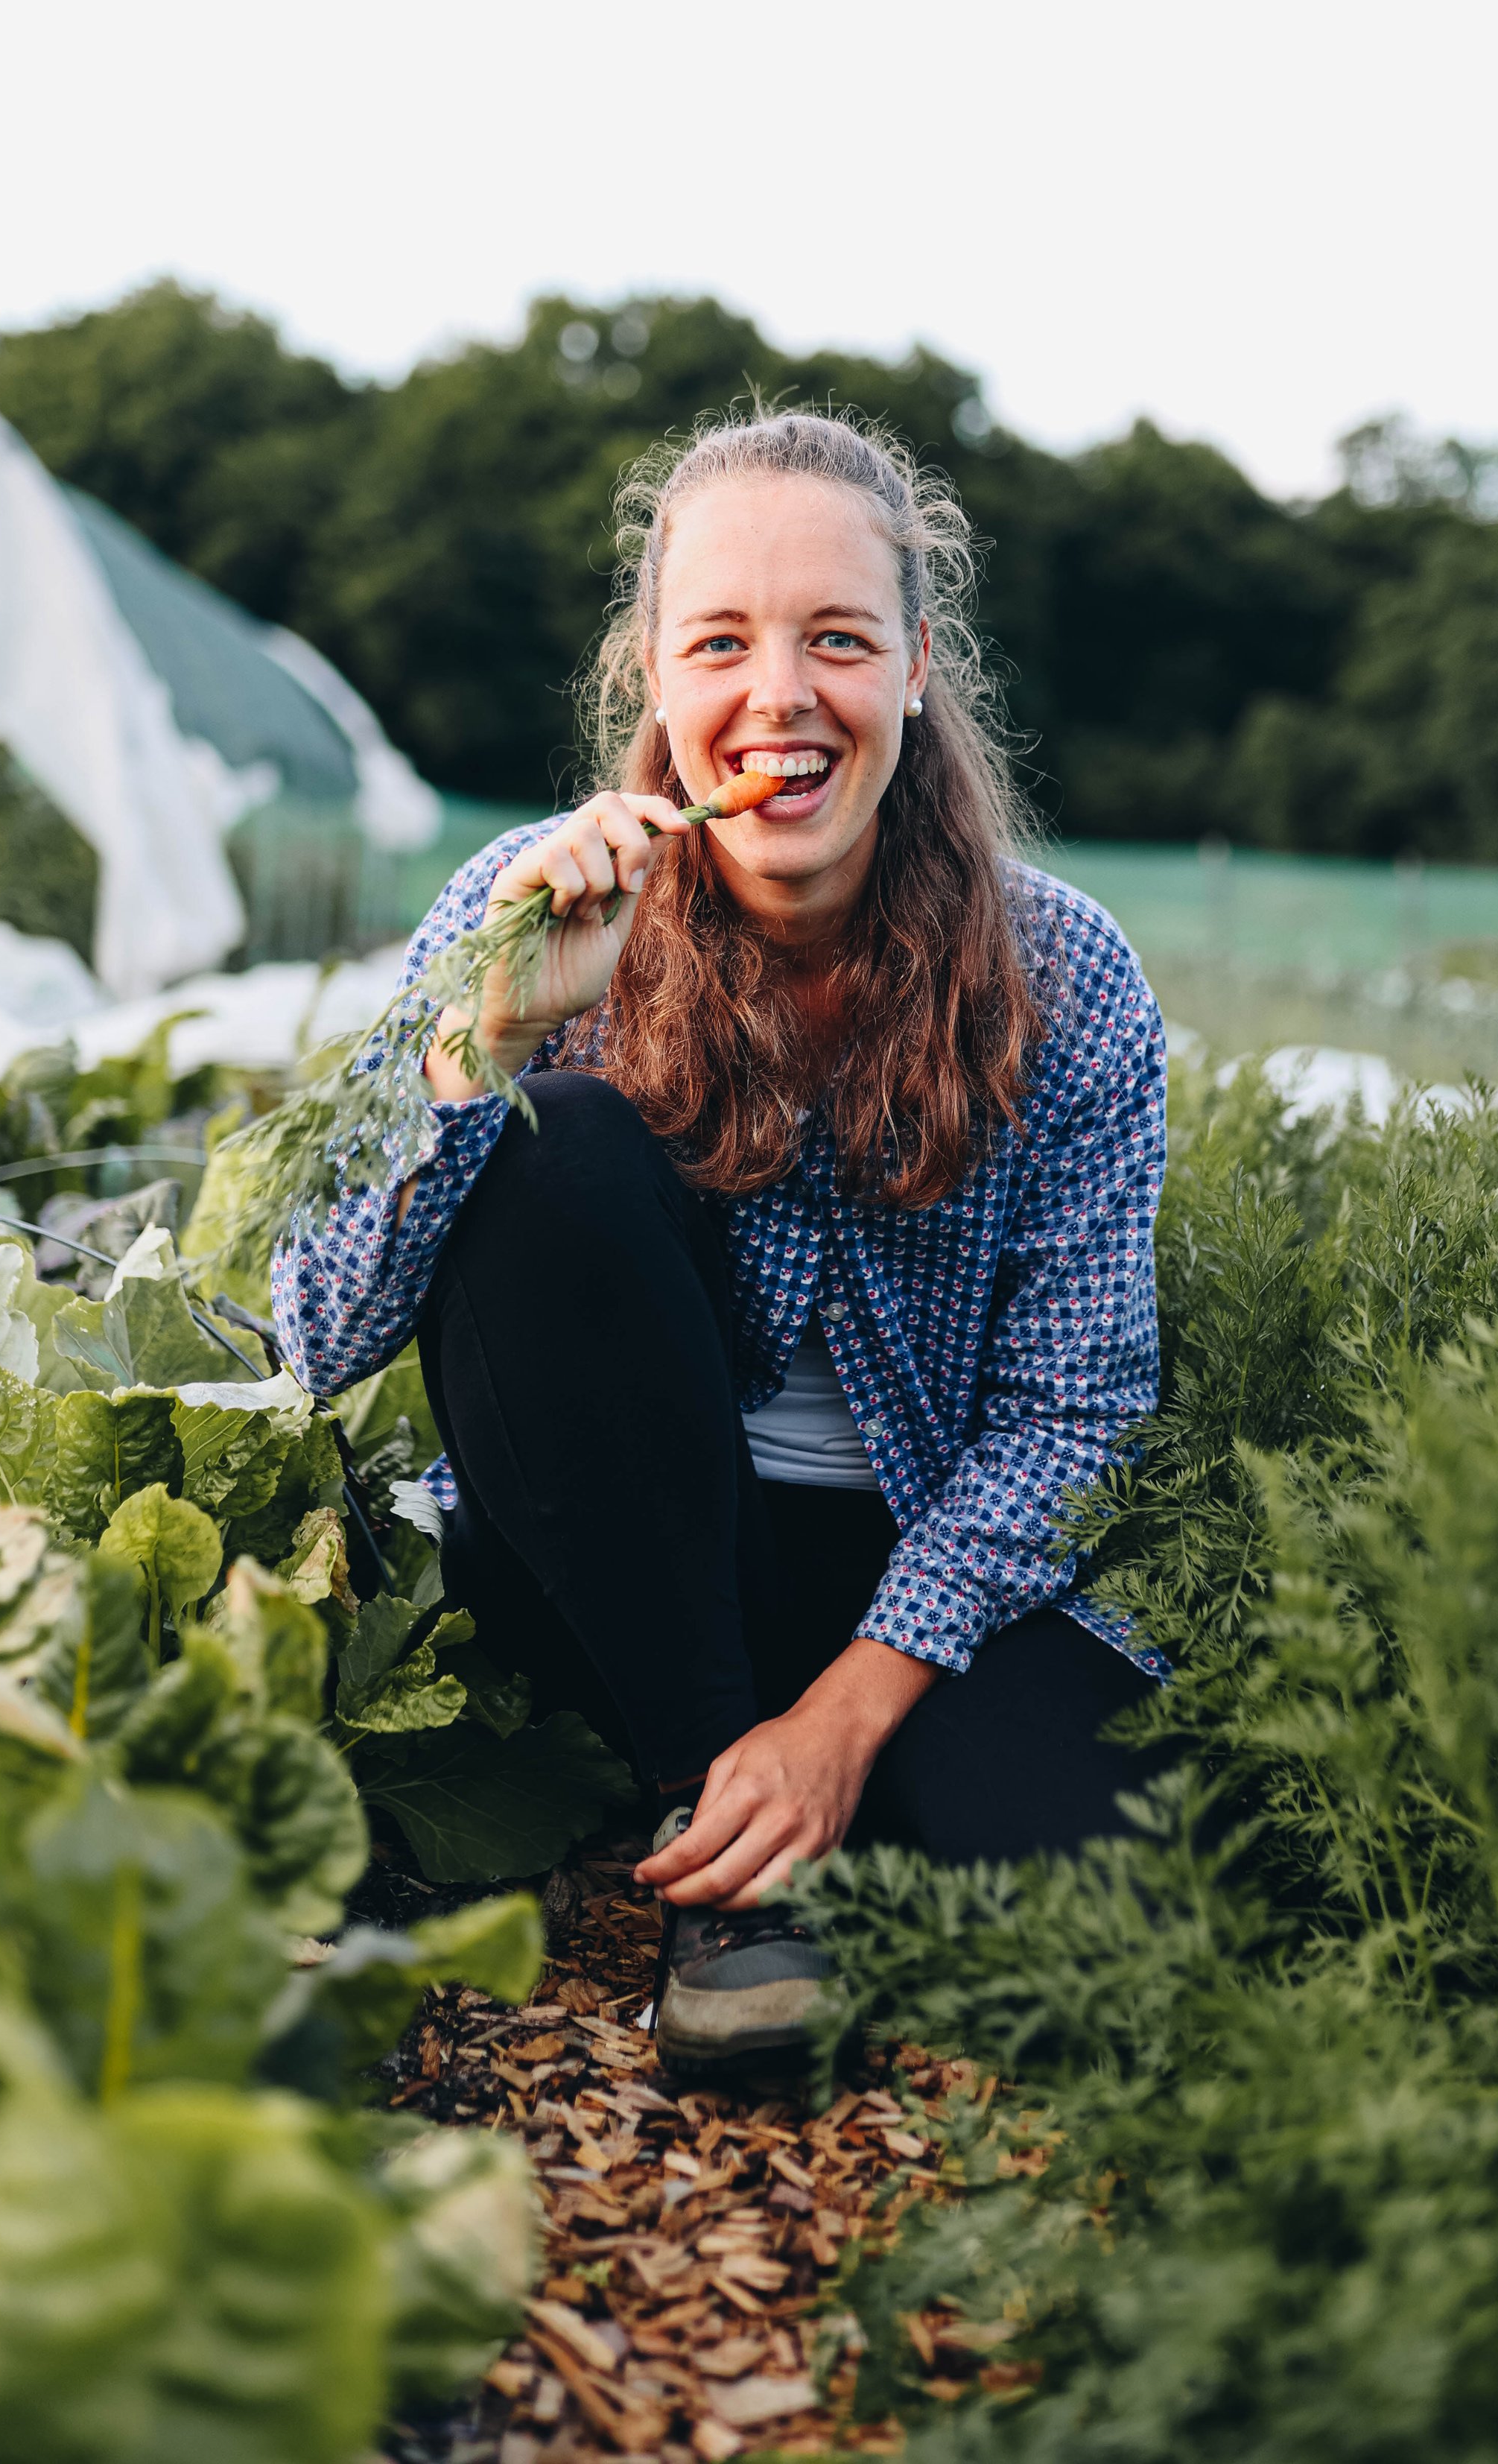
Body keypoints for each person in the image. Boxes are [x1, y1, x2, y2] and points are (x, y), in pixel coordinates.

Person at [273, 409, 1167, 2081]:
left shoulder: (1067, 976)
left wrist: (842, 1719)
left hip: (901, 1571)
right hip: (600, 1552)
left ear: (913, 667)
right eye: (720, 643)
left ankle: (777, 1782)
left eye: (836, 637)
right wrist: (490, 1047)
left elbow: (1075, 1416)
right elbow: (314, 1333)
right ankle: (720, 1837)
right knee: (561, 1151)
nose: (779, 696)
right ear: (657, 686)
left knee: (1106, 1897)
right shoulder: (520, 907)